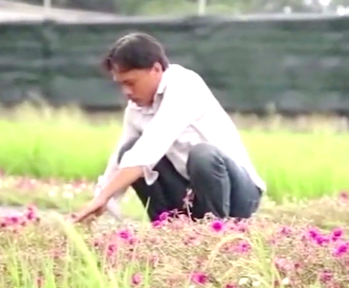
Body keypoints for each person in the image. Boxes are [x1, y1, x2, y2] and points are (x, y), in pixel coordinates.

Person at [72, 32, 266, 224]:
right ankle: (167, 228)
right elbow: (120, 161)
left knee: (203, 154)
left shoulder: (184, 85)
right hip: (192, 193)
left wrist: (104, 196)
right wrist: (101, 201)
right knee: (128, 150)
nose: (126, 92)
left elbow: (151, 147)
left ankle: (215, 230)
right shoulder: (136, 109)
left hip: (238, 195)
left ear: (156, 69)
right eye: (121, 84)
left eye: (131, 83)